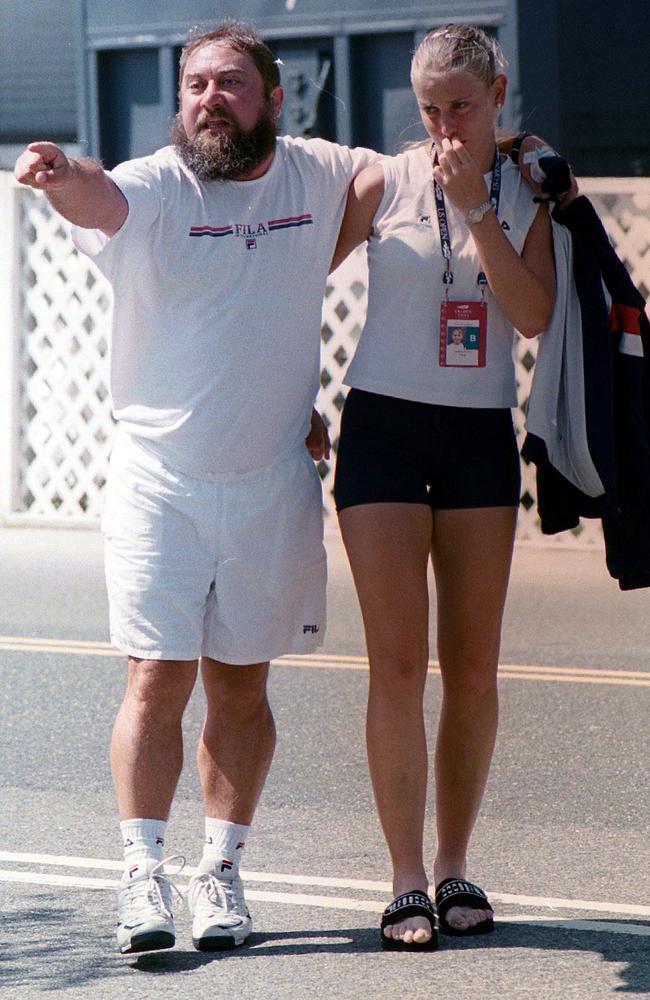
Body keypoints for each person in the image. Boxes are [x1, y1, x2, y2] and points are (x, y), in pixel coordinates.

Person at [14, 19, 376, 955]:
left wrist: (479, 143)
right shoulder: (158, 186)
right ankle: (143, 878)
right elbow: (99, 197)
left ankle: (220, 872)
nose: (209, 100)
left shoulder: (316, 170)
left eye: (229, 85)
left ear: (274, 97)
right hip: (159, 484)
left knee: (242, 688)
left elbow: (388, 180)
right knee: (157, 678)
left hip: (271, 485)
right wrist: (61, 172)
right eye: (194, 87)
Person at [330, 24, 556, 950]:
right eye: (429, 108)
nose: (445, 124)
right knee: (395, 665)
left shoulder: (531, 185)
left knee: (472, 668)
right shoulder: (383, 181)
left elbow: (532, 314)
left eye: (461, 104)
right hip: (381, 427)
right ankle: (405, 879)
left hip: (477, 437)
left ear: (498, 91)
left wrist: (481, 211)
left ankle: (456, 861)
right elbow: (291, 288)